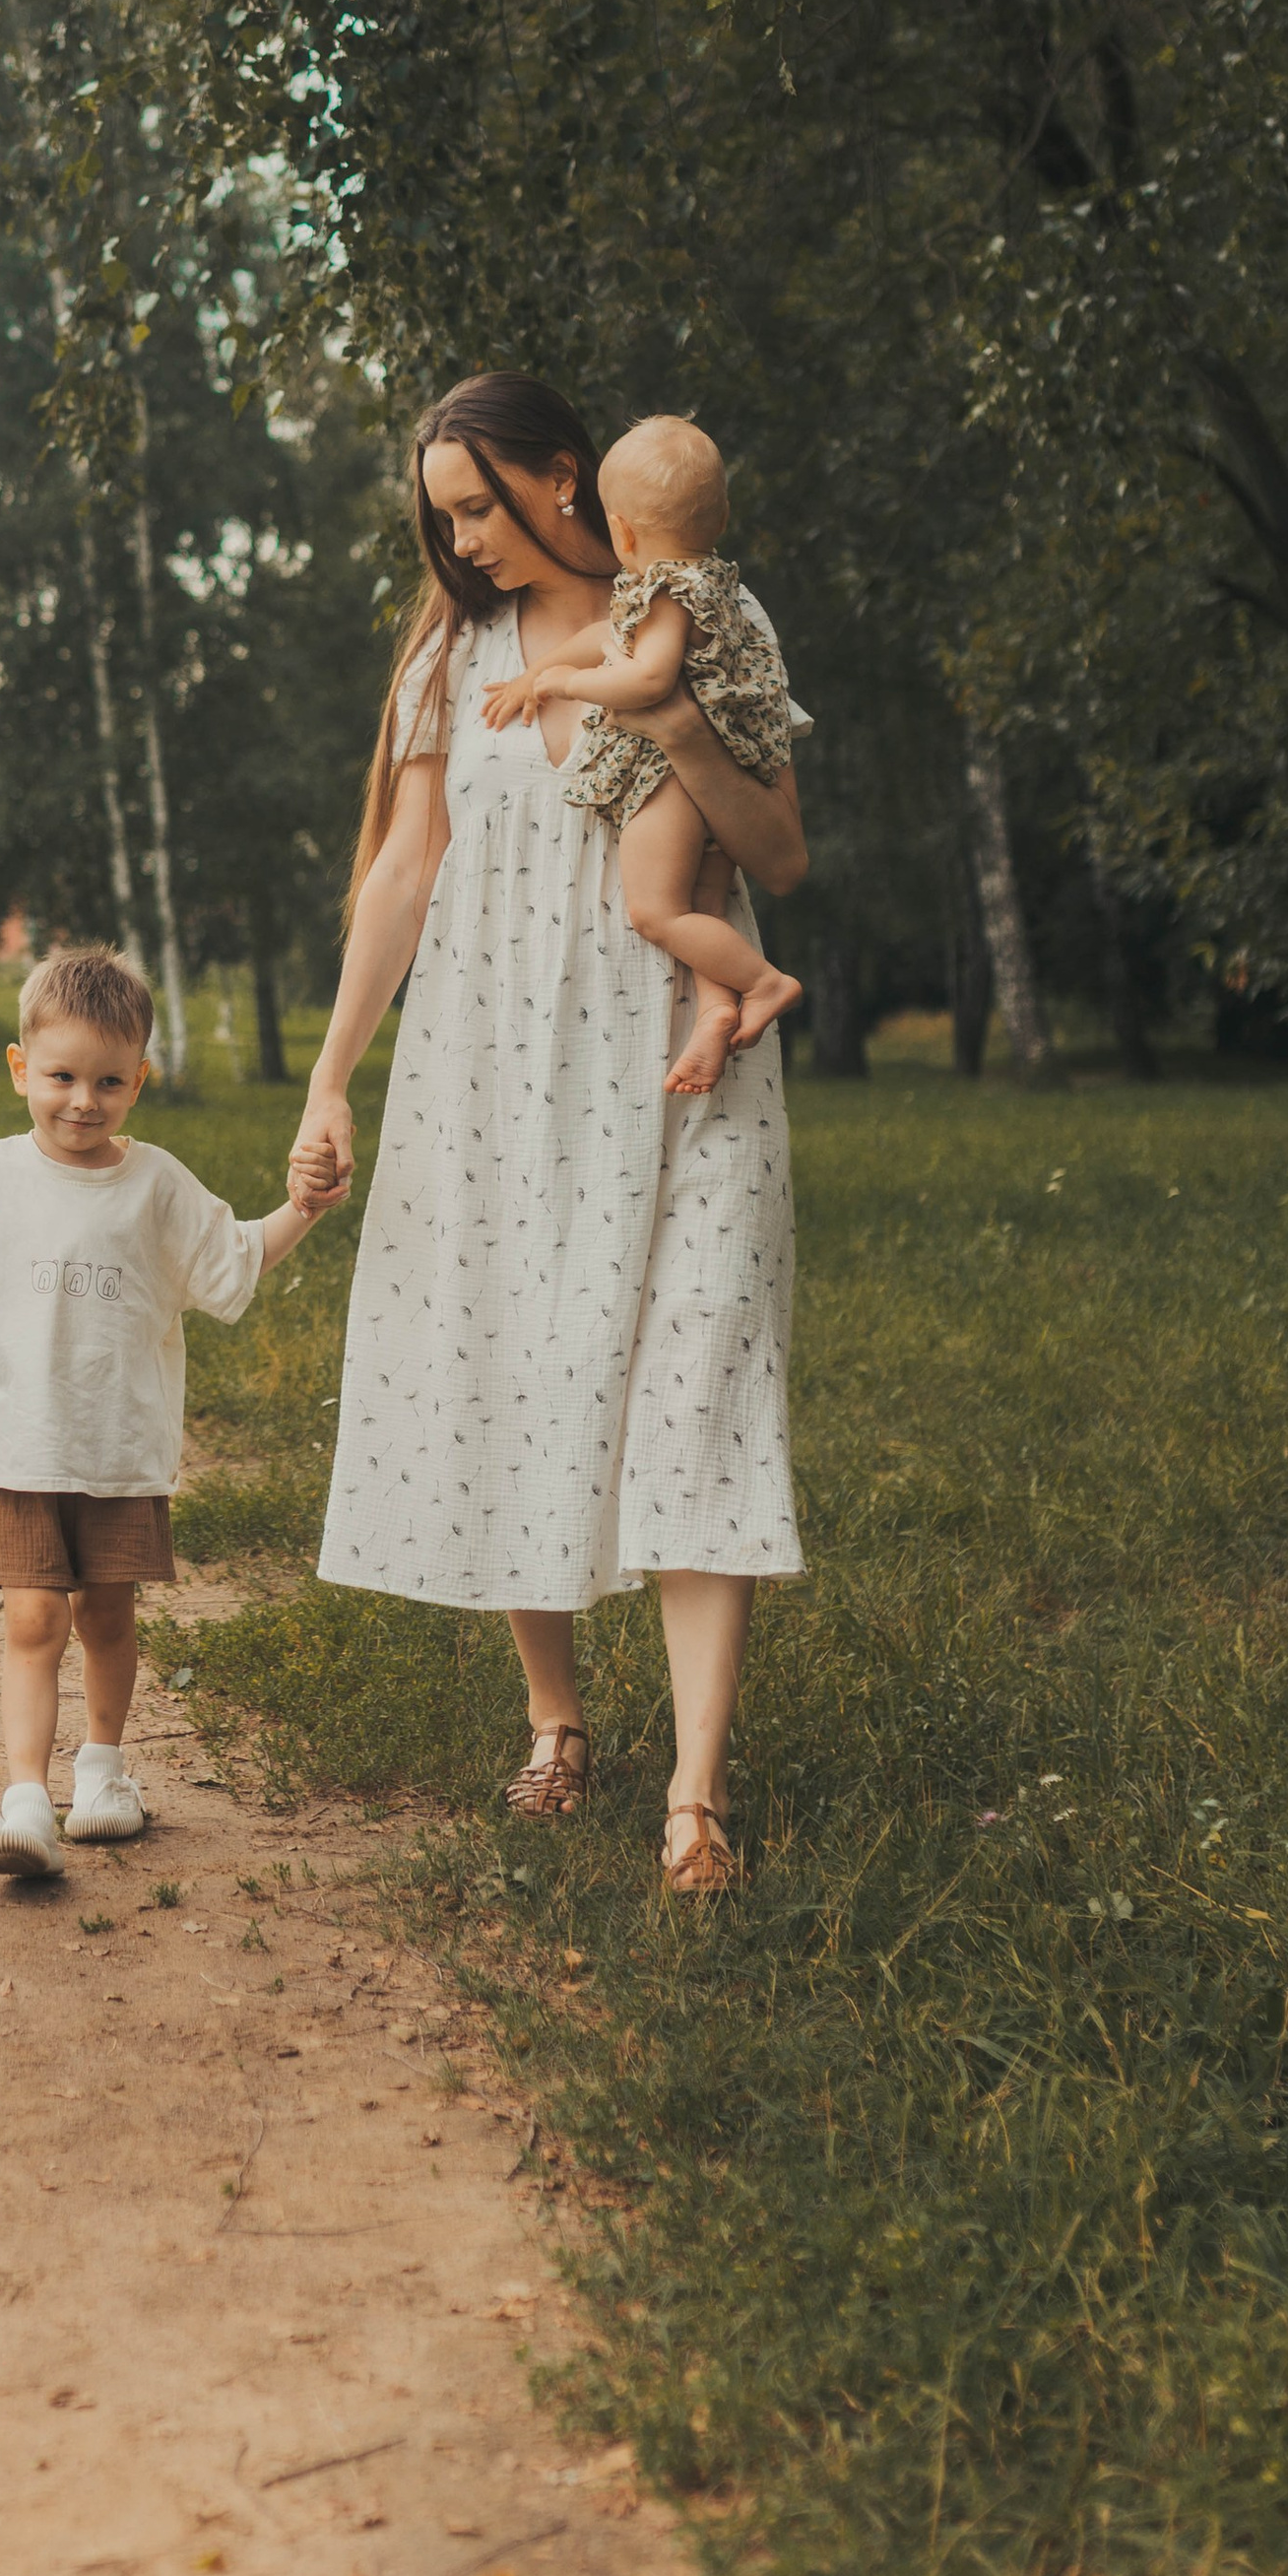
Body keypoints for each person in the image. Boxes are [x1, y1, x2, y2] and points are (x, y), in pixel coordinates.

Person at [287, 372, 808, 1894]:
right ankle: (557, 1721)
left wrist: (672, 718)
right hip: (496, 1054)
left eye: (479, 509)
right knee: (524, 1360)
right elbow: (401, 871)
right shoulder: (459, 649)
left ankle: (695, 1798)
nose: (463, 543)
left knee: (699, 1373)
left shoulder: (709, 617)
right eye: (442, 519)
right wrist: (333, 1078)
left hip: (682, 1049)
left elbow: (778, 844)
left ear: (565, 478)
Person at [0, 946, 343, 1880]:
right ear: (19, 1067)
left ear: (139, 1081)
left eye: (110, 1081)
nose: (84, 1099)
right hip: (16, 1448)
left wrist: (304, 1206)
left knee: (108, 1614)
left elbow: (235, 1261)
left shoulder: (156, 1185)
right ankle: (25, 1797)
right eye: (63, 1075)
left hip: (117, 1452)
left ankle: (104, 1770)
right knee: (33, 1619)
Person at [479, 413, 801, 1096]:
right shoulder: (714, 583)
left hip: (673, 780)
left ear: (621, 530)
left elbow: (646, 677)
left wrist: (564, 681)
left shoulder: (664, 589)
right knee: (702, 902)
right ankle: (717, 1010)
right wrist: (534, 675)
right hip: (724, 779)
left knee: (656, 910)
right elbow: (605, 632)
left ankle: (764, 982)